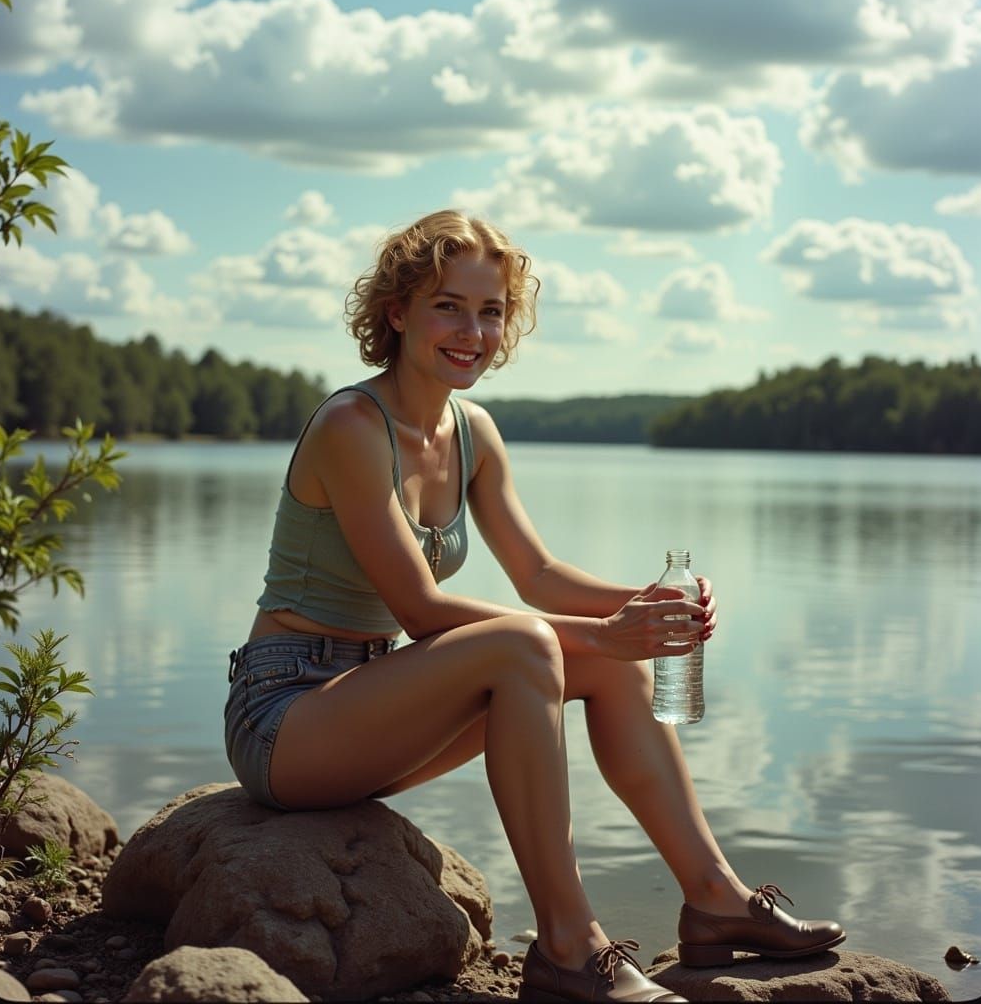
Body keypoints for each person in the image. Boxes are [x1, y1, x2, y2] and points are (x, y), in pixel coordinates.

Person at [224, 210, 845, 1003]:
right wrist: (606, 634)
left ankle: (716, 900)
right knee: (536, 647)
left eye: (491, 311)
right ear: (397, 311)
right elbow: (419, 608)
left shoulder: (472, 430)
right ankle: (566, 946)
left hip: (378, 705)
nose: (472, 331)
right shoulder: (352, 425)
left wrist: (645, 608)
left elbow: (541, 575)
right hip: (288, 714)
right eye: (449, 305)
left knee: (607, 666)